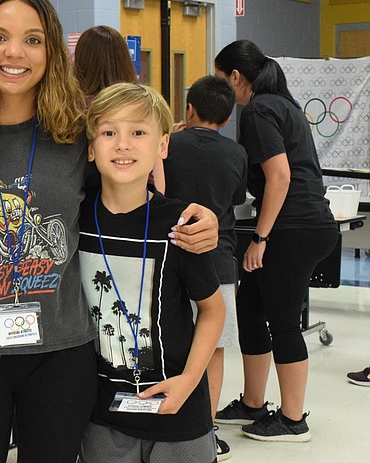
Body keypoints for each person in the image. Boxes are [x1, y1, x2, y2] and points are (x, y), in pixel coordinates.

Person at [0, 0, 220, 463]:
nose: (14, 52)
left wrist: (200, 218)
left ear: (51, 52)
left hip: (61, 355)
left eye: (32, 40)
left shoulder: (76, 136)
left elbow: (134, 197)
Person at [78, 81, 225, 463]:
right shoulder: (74, 217)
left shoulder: (180, 224)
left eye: (138, 132)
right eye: (109, 132)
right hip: (103, 415)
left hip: (178, 411)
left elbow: (212, 309)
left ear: (162, 145)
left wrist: (190, 382)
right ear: (91, 148)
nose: (123, 144)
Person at [213, 39, 338, 442]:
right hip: (303, 223)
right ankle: (252, 403)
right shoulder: (283, 105)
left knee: (282, 320)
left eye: (221, 81)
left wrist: (261, 237)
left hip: (294, 228)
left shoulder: (260, 109)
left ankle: (293, 418)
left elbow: (279, 176)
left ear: (236, 77)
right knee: (250, 308)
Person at [164, 75, 248, 461]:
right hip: (219, 259)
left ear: (189, 109)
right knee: (214, 349)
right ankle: (207, 430)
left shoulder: (171, 145)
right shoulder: (236, 153)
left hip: (173, 255)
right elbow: (235, 199)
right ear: (228, 118)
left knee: (177, 339)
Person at [73, 25, 166, 191]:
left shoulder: (71, 108)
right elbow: (157, 177)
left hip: (86, 201)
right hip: (138, 200)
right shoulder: (141, 105)